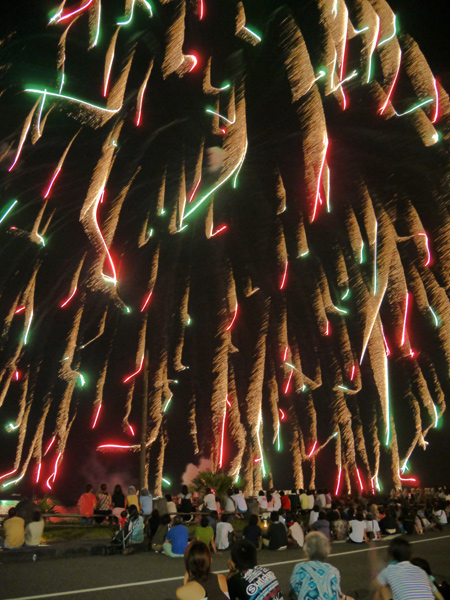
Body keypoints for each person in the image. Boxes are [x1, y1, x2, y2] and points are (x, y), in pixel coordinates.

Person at [290, 531, 354, 600]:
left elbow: (293, 593)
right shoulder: (333, 570)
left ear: (306, 550)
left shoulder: (299, 568)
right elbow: (334, 594)